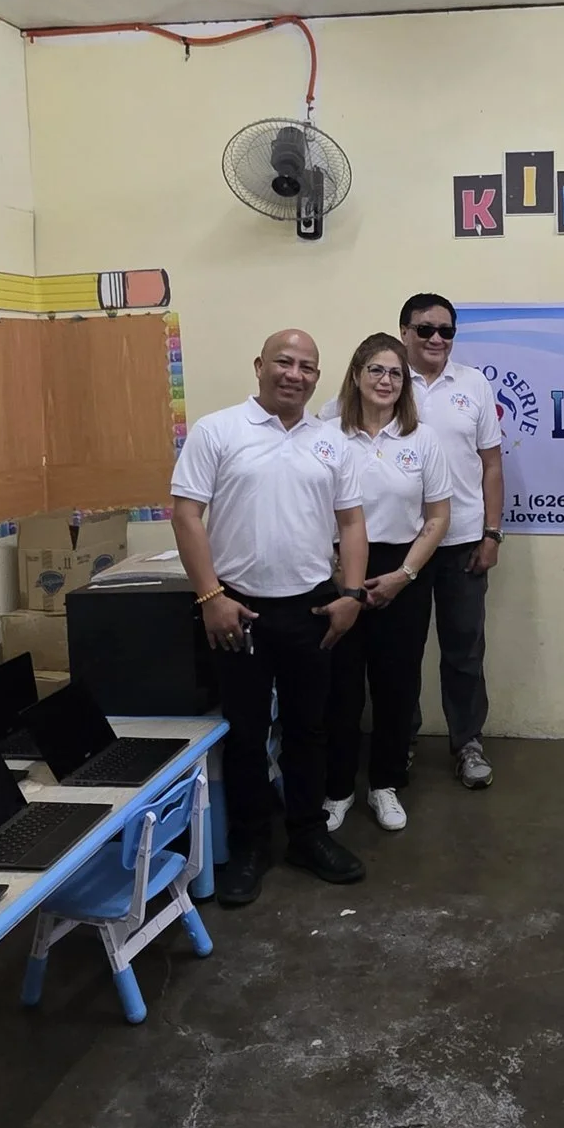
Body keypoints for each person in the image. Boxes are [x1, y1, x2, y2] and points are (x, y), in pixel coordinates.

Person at [171, 329, 371, 906]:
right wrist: (211, 597)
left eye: (308, 366)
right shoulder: (218, 430)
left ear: (317, 377)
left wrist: (352, 595)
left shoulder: (332, 442)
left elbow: (352, 523)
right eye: (284, 362)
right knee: (247, 734)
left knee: (312, 729)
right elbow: (187, 514)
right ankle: (251, 843)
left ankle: (308, 835)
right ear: (259, 365)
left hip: (313, 608)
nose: (295, 374)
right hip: (239, 611)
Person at [322, 333, 452, 836]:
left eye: (395, 373)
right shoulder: (327, 435)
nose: (386, 381)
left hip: (405, 570)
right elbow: (316, 512)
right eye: (376, 370)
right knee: (341, 686)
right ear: (356, 375)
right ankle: (337, 791)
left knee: (397, 685)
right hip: (337, 571)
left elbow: (438, 518)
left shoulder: (422, 439)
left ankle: (384, 786)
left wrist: (403, 576)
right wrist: (342, 579)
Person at [399, 293, 504, 788]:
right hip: (401, 545)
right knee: (401, 652)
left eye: (446, 330)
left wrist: (492, 533)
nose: (437, 339)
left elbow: (491, 465)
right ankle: (399, 745)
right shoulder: (385, 382)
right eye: (425, 330)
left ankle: (468, 744)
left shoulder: (475, 385)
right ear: (405, 333)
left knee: (464, 651)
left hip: (463, 542)